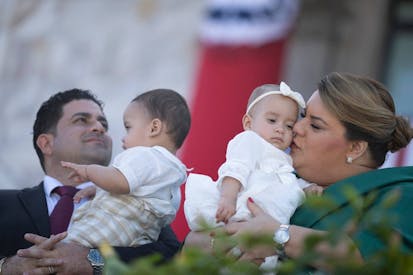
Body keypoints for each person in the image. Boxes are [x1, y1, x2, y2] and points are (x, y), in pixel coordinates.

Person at [184, 72, 413, 271]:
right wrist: (215, 243)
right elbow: (192, 243)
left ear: (355, 148)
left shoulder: (401, 194)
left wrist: (278, 236)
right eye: (303, 117)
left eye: (315, 125)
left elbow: (373, 261)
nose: (296, 128)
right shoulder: (282, 180)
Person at [0, 89, 182, 274]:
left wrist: (92, 259)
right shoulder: (4, 203)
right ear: (46, 143)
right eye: (81, 120)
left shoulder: (142, 203)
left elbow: (172, 257)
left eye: (103, 123)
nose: (99, 127)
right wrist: (7, 266)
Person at [184, 82, 321, 268]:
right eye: (272, 121)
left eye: (289, 126)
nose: (280, 129)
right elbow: (235, 168)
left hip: (269, 233)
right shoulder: (249, 141)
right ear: (248, 123)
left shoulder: (285, 161)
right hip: (242, 216)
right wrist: (228, 197)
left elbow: (286, 185)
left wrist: (306, 189)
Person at [60, 88, 191, 248]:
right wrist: (100, 188)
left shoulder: (144, 155)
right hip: (129, 242)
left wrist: (88, 171)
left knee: (63, 250)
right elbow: (139, 193)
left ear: (154, 128)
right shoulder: (173, 178)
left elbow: (120, 182)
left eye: (128, 128)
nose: (123, 137)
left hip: (104, 230)